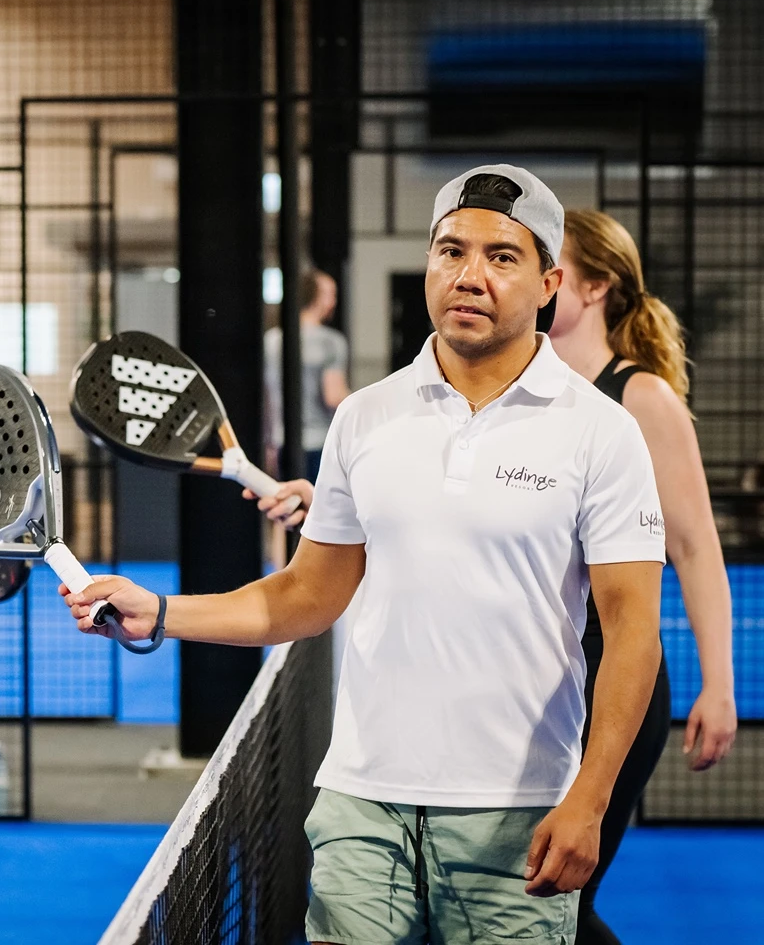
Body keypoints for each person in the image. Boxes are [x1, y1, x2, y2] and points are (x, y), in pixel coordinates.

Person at [67, 165, 667, 945]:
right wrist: (160, 613)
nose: (470, 275)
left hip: (516, 810)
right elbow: (305, 595)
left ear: (550, 283)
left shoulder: (602, 432)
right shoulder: (364, 418)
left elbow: (633, 632)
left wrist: (589, 799)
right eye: (451, 251)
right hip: (361, 802)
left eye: (502, 256)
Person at [547, 208, 737, 944]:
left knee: (558, 899)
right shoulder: (516, 391)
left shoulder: (641, 397)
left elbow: (695, 547)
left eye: (554, 265)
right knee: (516, 899)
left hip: (612, 675)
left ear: (595, 286)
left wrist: (719, 686)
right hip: (529, 679)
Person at [264, 269, 350, 483]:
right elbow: (334, 396)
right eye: (331, 295)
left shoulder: (271, 340)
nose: (334, 302)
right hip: (320, 442)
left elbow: (267, 400)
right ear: (317, 297)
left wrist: (268, 444)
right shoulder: (330, 341)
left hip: (281, 441)